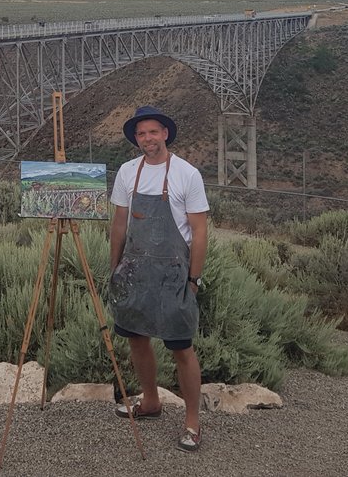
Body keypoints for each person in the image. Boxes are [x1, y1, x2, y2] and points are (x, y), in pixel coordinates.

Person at [108, 104, 209, 452]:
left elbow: (199, 232)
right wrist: (114, 268)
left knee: (182, 348)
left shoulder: (187, 174)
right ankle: (150, 401)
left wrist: (194, 279)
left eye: (153, 131)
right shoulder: (127, 172)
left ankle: (192, 423)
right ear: (136, 139)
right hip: (134, 272)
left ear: (165, 133)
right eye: (141, 133)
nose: (147, 138)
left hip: (173, 275)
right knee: (136, 339)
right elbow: (119, 223)